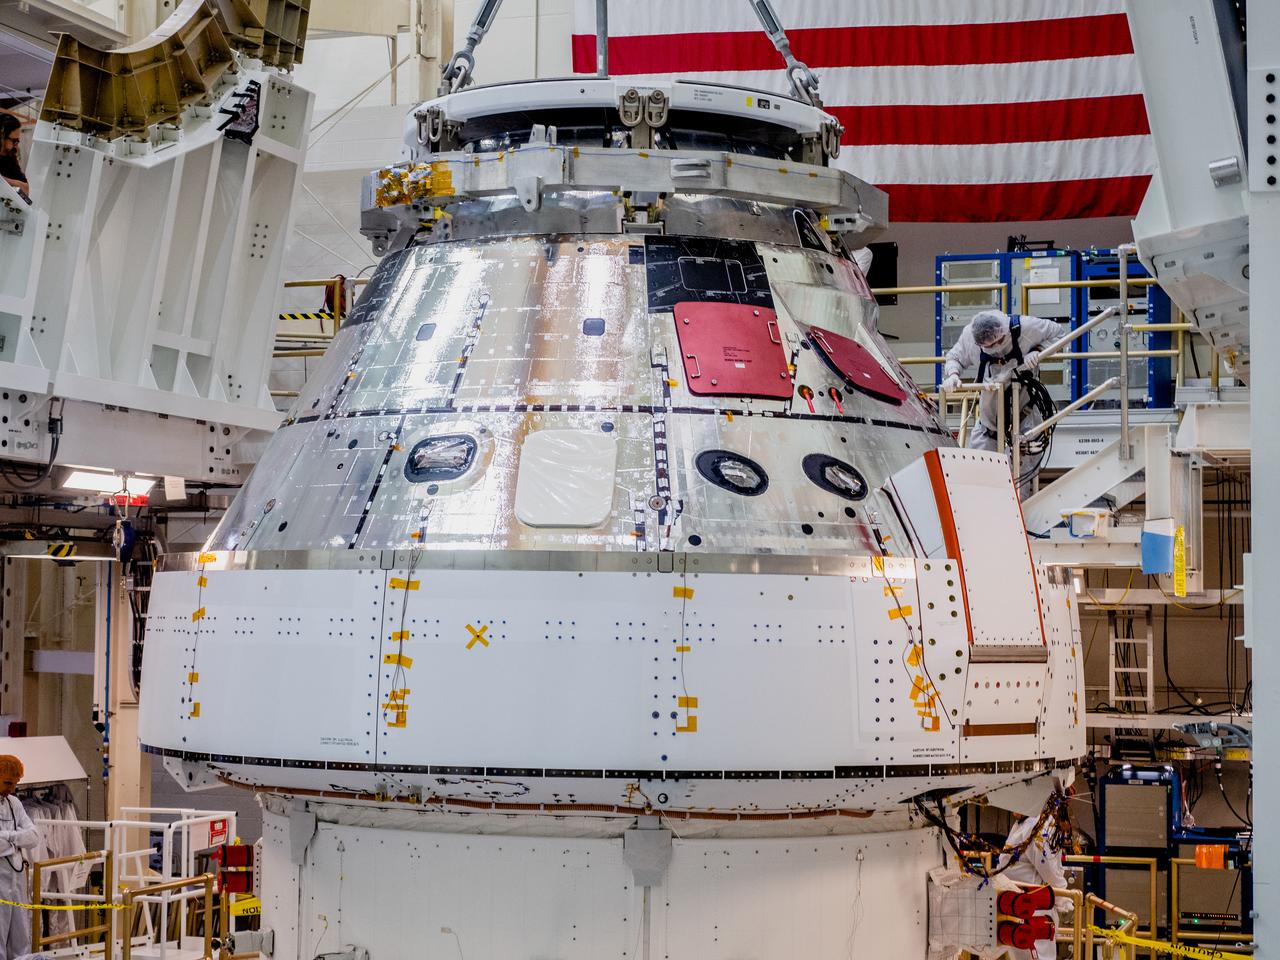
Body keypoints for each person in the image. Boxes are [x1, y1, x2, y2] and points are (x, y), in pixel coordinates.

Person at [940, 309, 1065, 452]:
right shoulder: (970, 336)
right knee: (981, 458)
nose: (996, 348)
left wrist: (1038, 350)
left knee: (1028, 452)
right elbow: (955, 358)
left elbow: (1059, 333)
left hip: (1025, 402)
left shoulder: (1026, 326)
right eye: (989, 346)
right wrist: (953, 375)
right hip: (989, 411)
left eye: (999, 342)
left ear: (1005, 331)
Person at [997, 792, 1074, 960]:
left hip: (1033, 911)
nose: (1013, 809)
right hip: (1018, 909)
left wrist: (1063, 899)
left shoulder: (1036, 826)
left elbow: (1050, 870)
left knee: (1037, 955)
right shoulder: (1023, 824)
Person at [0, 755, 38, 960]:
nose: (11, 789)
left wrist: (7, 838)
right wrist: (17, 840)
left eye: (15, 784)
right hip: (0, 880)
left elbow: (33, 837)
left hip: (17, 878)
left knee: (21, 932)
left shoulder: (14, 802)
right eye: (7, 783)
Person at [0, 113, 29, 202]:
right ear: (2, 136)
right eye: (14, 140)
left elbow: (26, 189)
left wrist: (3, 181)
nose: (16, 145)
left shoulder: (10, 157)